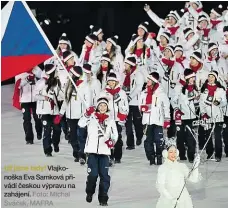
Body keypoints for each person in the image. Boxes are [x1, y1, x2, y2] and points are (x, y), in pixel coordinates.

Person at [78, 95, 118, 206]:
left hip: (104, 152)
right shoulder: (91, 117)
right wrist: (86, 114)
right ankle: (90, 192)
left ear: (107, 107)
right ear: (97, 106)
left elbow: (115, 134)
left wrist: (112, 142)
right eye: (100, 105)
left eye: (104, 105)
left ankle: (103, 197)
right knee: (93, 175)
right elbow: (81, 124)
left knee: (104, 176)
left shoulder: (110, 120)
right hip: (92, 151)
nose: (102, 107)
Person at [55, 66, 90, 164]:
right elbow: (66, 101)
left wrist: (87, 114)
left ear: (75, 75)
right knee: (73, 137)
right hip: (70, 117)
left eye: (71, 73)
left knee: (81, 136)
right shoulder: (68, 85)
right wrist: (61, 114)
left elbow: (88, 102)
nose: (69, 75)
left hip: (81, 116)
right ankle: (76, 152)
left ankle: (82, 154)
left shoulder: (84, 86)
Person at [139, 72, 170, 165]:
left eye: (150, 79)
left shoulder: (161, 93)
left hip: (158, 121)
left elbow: (166, 106)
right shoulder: (144, 92)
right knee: (148, 140)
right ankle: (151, 157)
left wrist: (167, 119)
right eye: (147, 79)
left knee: (158, 140)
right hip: (147, 120)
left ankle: (159, 157)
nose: (147, 81)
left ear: (154, 81)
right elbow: (140, 104)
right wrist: (143, 108)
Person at [35, 64, 64, 157]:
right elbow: (35, 96)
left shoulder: (56, 82)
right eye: (55, 71)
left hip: (54, 111)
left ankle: (55, 143)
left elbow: (60, 95)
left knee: (57, 129)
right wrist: (45, 98)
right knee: (47, 130)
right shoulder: (41, 82)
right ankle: (47, 150)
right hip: (44, 111)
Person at [171, 69, 199, 162]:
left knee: (191, 137)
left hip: (191, 117)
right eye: (190, 78)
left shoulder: (195, 88)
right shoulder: (178, 87)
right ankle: (181, 155)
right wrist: (176, 109)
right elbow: (173, 100)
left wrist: (196, 100)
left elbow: (197, 102)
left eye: (193, 78)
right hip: (181, 116)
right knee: (180, 137)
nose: (192, 80)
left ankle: (191, 156)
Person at [199, 71, 227, 162]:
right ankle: (209, 153)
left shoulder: (220, 90)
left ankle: (218, 155)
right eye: (209, 76)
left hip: (218, 116)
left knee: (217, 136)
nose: (210, 78)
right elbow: (201, 103)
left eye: (212, 77)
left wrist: (219, 103)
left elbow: (224, 103)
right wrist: (203, 113)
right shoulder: (204, 89)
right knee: (208, 136)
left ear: (216, 78)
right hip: (207, 117)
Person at [102, 72, 129, 165]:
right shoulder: (104, 92)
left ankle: (117, 156)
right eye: (109, 81)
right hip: (107, 119)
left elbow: (125, 106)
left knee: (117, 138)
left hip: (117, 119)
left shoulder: (122, 93)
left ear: (116, 82)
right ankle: (109, 156)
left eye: (113, 81)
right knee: (107, 137)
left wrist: (122, 114)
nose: (111, 83)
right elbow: (100, 104)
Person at [14, 67, 43, 144]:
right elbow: (18, 86)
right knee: (27, 120)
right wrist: (26, 79)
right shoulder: (19, 72)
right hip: (24, 100)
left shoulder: (36, 68)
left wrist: (35, 74)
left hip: (35, 99)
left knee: (37, 118)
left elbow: (43, 77)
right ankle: (29, 138)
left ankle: (39, 132)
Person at [123, 55, 144, 149]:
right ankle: (130, 143)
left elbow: (139, 87)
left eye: (126, 64)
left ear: (131, 65)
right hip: (126, 103)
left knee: (137, 122)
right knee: (128, 124)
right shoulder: (124, 74)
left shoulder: (138, 74)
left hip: (135, 102)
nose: (125, 65)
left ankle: (139, 136)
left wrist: (130, 97)